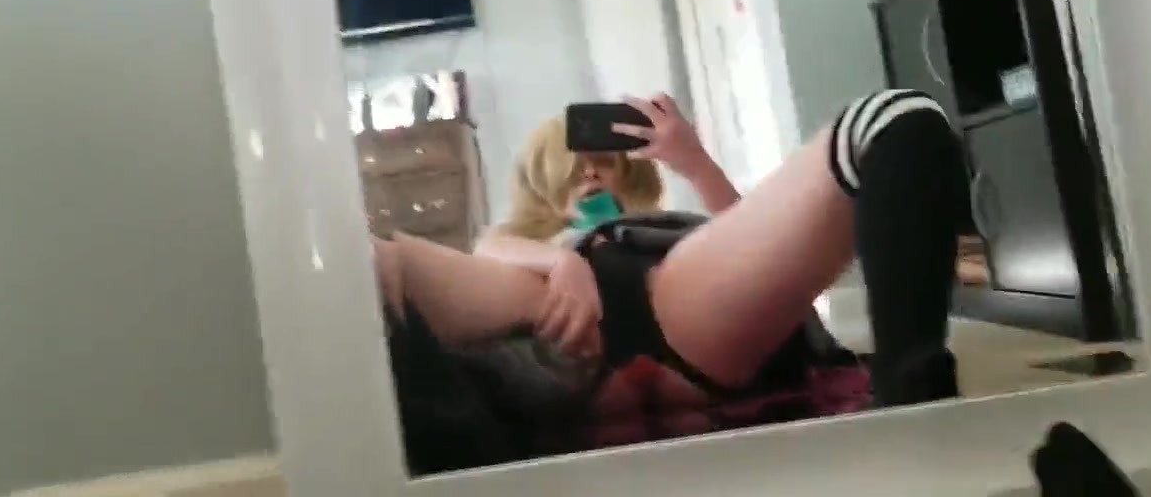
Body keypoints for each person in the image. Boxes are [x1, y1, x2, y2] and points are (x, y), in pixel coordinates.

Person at [374, 88, 966, 424]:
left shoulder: (656, 230)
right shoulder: (526, 240)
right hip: (546, 324)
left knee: (896, 125)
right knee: (368, 269)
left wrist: (693, 162)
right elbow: (488, 245)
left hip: (662, 303)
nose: (588, 177)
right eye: (571, 172)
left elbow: (751, 245)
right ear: (543, 186)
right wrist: (563, 262)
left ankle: (914, 399)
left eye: (600, 164)